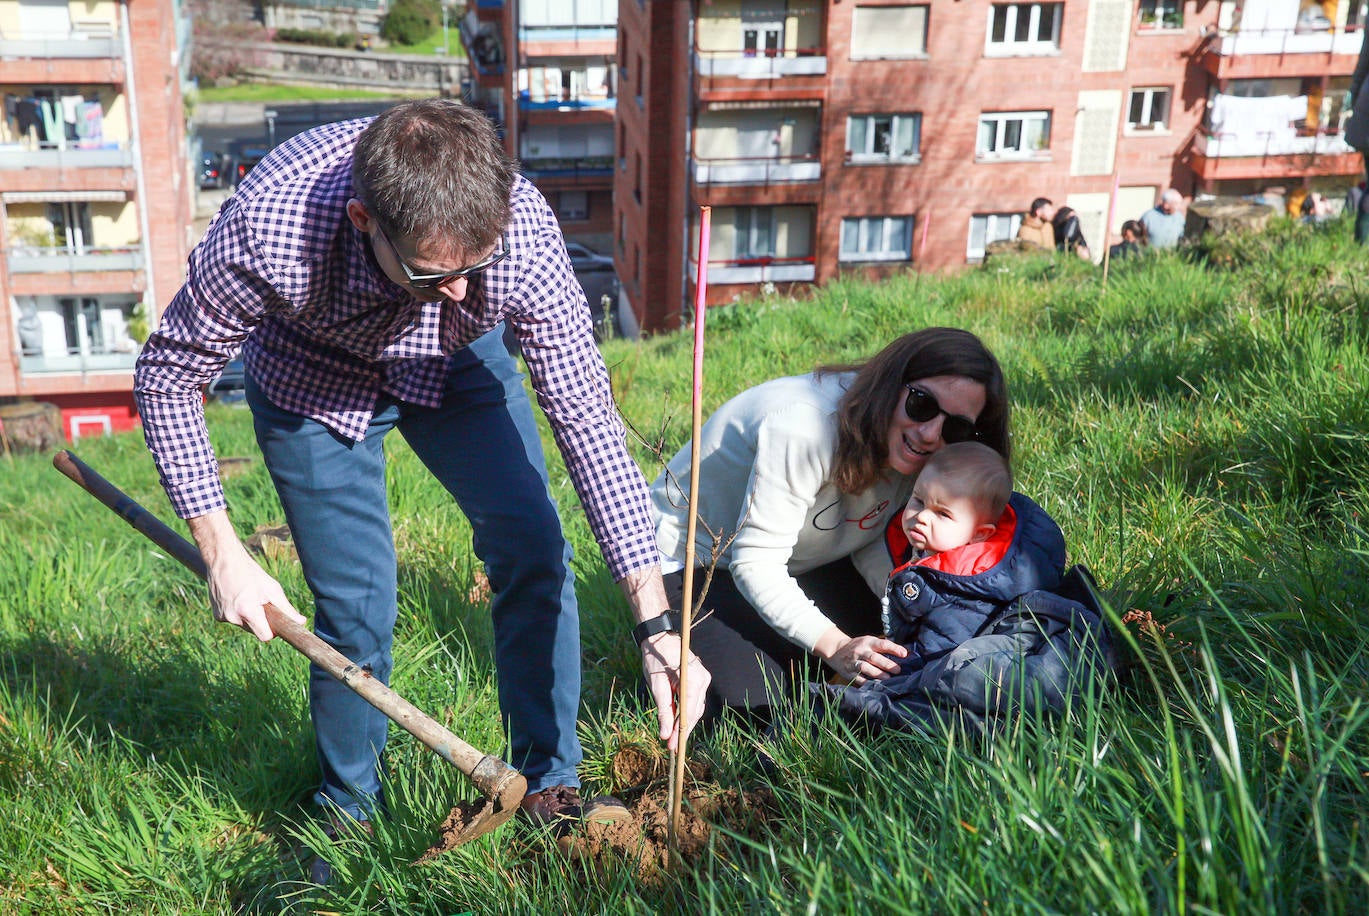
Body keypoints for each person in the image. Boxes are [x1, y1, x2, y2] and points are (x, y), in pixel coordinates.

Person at [133, 99, 708, 856]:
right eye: (435, 272)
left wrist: (657, 628)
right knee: (355, 608)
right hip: (312, 379)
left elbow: (588, 422)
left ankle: (549, 783)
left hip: (454, 359)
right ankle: (348, 812)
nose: (463, 289)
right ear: (364, 219)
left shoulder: (521, 235)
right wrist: (223, 553)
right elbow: (169, 375)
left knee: (535, 548)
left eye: (476, 268)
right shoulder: (270, 227)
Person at [649, 328, 1011, 728]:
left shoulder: (923, 450)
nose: (929, 434)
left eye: (956, 428)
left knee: (899, 647)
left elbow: (866, 534)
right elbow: (756, 563)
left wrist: (908, 604)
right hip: (698, 561)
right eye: (921, 404)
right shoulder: (804, 427)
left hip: (805, 556)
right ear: (892, 383)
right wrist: (837, 647)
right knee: (752, 712)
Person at [817, 442, 1117, 734]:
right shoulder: (941, 556)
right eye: (918, 500)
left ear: (979, 533)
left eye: (943, 514)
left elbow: (937, 652)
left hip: (954, 666)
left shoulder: (963, 590)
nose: (922, 516)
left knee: (874, 702)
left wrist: (885, 680)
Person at [1344, 11, 1369, 245]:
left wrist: (1355, 105)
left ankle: (1362, 248)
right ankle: (1365, 248)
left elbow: (1362, 68)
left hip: (1367, 113)